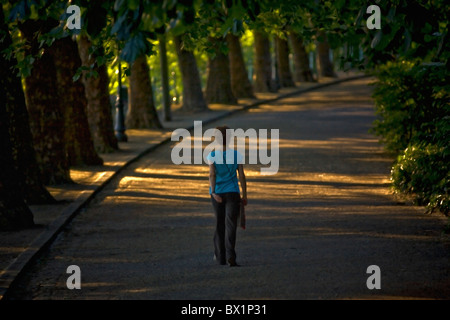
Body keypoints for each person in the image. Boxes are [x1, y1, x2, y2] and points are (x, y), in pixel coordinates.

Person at [207, 126, 247, 267]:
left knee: (219, 224)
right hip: (233, 193)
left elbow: (212, 174)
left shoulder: (212, 155)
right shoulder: (237, 155)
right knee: (231, 225)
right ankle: (231, 256)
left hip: (217, 192)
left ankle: (220, 257)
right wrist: (244, 194)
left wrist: (213, 192)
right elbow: (241, 175)